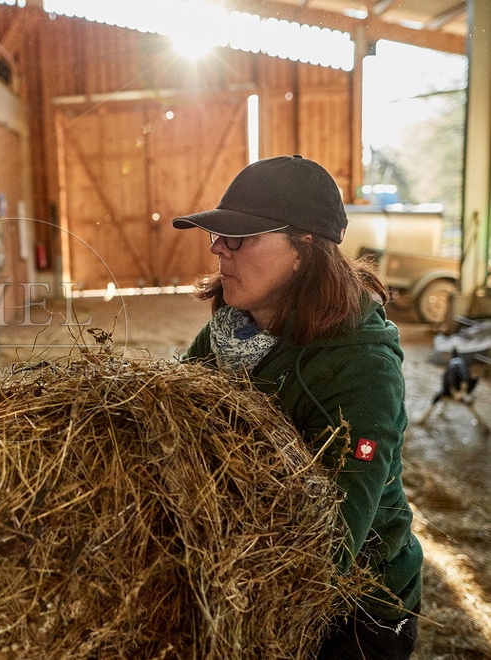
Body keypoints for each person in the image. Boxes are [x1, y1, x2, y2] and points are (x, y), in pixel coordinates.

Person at [172, 155, 423, 659]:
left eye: (239, 237)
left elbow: (329, 549)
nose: (219, 248)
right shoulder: (231, 333)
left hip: (354, 612)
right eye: (217, 235)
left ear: (303, 249)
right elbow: (172, 425)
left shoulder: (361, 371)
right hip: (241, 577)